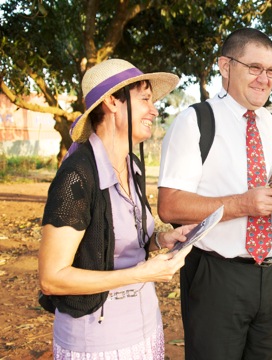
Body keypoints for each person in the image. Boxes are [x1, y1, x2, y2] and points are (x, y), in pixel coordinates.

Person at [157, 27, 272, 360]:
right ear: (225, 66)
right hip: (217, 276)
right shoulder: (196, 122)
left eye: (270, 71)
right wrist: (241, 204)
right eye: (254, 68)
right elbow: (169, 206)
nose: (263, 79)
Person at [38, 59, 198, 359]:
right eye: (145, 99)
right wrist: (140, 273)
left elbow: (125, 240)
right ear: (113, 101)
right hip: (97, 341)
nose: (154, 110)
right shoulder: (78, 176)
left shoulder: (133, 166)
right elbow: (51, 278)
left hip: (144, 328)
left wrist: (163, 240)